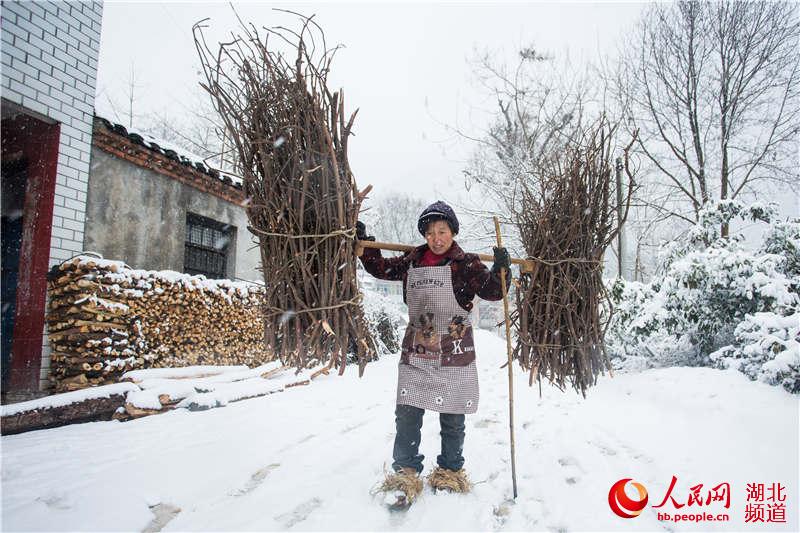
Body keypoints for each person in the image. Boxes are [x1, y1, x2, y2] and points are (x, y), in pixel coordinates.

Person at [357, 200, 511, 504]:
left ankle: (450, 471)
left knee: (452, 415)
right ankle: (405, 471)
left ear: (452, 232)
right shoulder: (412, 260)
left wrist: (501, 269)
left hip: (455, 347)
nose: (437, 238)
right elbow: (381, 269)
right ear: (424, 235)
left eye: (442, 231)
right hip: (418, 346)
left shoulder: (466, 263)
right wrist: (366, 243)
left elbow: (493, 291)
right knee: (407, 411)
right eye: (430, 233)